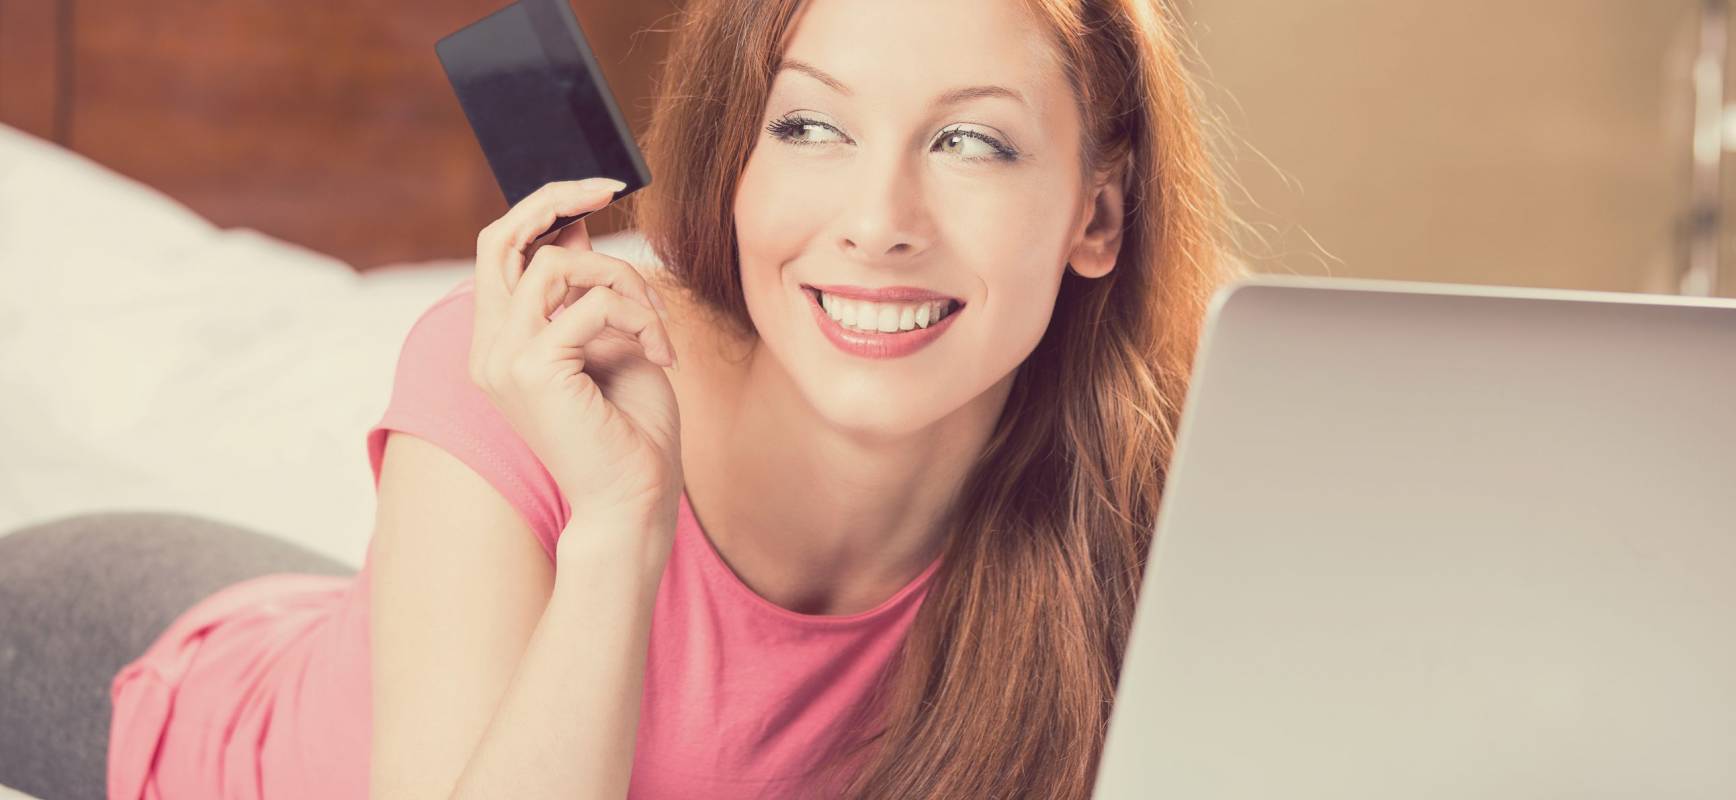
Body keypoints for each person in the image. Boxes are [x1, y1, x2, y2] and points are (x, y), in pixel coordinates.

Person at [0, 0, 1240, 796]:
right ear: (739, 166)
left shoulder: (1147, 500)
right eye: (810, 126)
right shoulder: (533, 371)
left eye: (972, 143)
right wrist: (615, 531)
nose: (878, 225)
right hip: (128, 666)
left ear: (1098, 212)